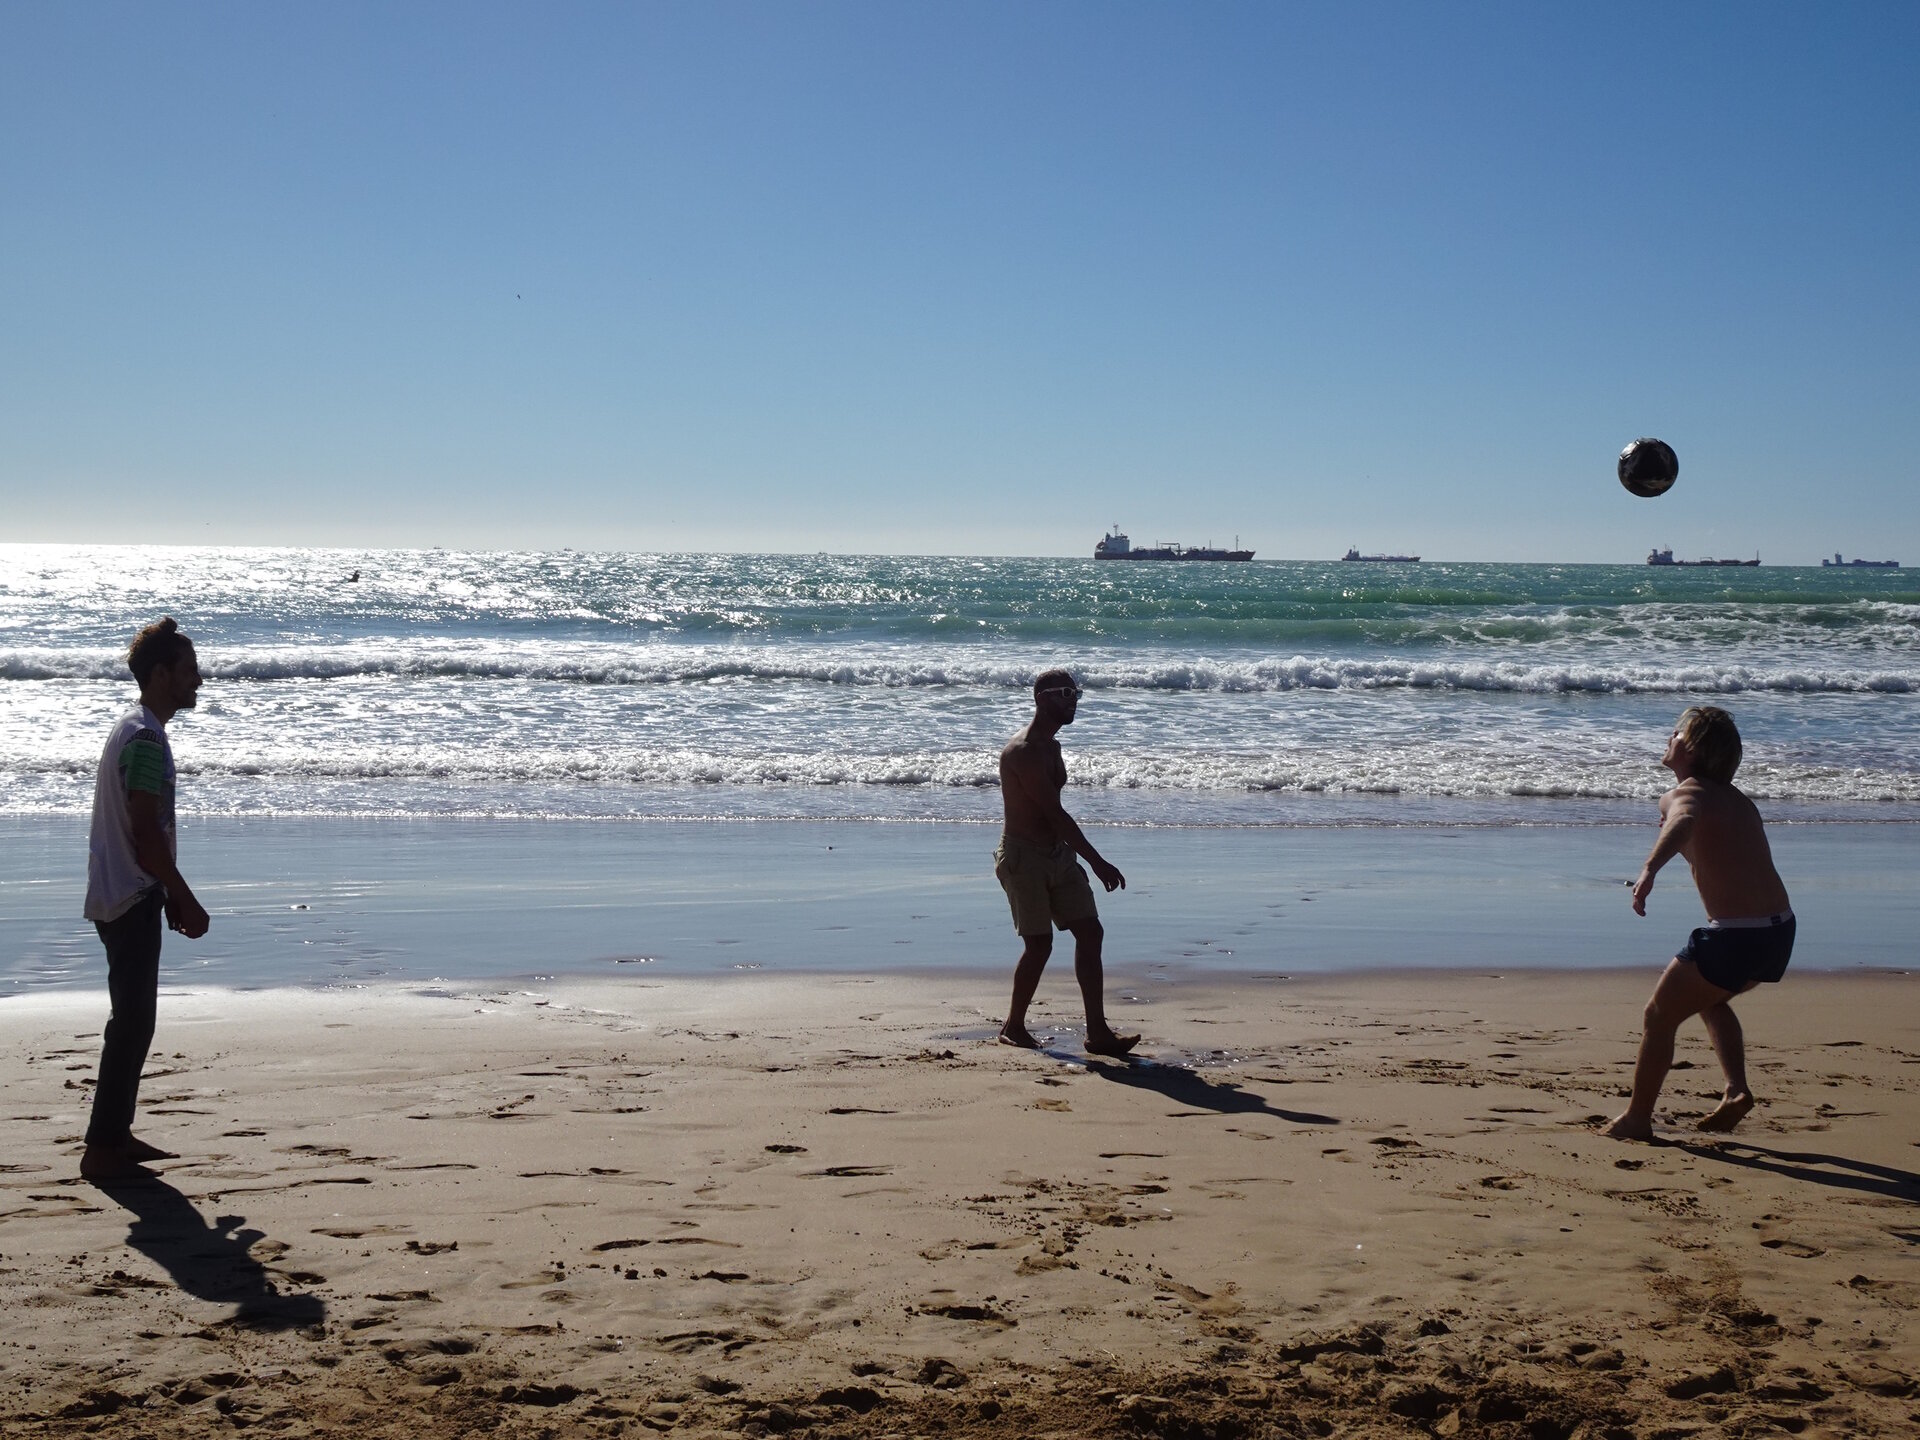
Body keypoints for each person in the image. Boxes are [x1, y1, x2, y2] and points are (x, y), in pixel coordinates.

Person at [1604, 707, 1793, 1142]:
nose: (1668, 738)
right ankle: (1735, 1090)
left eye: (1676, 732)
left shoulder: (1687, 793)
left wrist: (1650, 869)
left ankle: (1636, 1119)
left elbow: (1684, 819)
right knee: (1708, 997)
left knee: (1658, 1015)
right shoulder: (1737, 799)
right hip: (1779, 932)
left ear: (1690, 748)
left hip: (1736, 936)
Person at [79, 617, 210, 1183]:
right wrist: (183, 895)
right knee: (132, 1022)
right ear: (160, 674)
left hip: (125, 889)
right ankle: (102, 1145)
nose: (198, 681)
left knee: (134, 1020)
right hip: (130, 892)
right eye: (187, 671)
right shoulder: (146, 737)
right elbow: (145, 831)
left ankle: (115, 1135)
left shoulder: (134, 727)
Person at [994, 669, 1139, 1057]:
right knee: (1039, 945)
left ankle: (1098, 1034)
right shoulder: (1023, 751)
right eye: (1063, 693)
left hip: (1059, 855)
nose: (1072, 700)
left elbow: (1056, 822)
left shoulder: (1052, 747)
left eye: (1075, 693)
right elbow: (1055, 814)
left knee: (1090, 933)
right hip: (1024, 857)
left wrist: (1078, 856)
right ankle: (1013, 1027)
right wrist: (1098, 862)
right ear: (1041, 698)